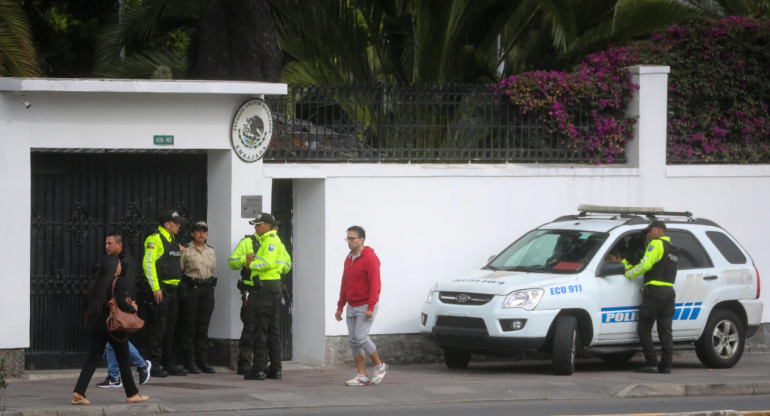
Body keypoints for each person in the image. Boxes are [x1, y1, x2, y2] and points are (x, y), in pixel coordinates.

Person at [71, 255, 149, 405]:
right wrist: (133, 308)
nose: (121, 266)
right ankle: (132, 394)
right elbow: (120, 303)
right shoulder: (117, 282)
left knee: (92, 359)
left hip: (96, 325)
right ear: (114, 267)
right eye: (119, 264)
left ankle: (79, 392)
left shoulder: (96, 282)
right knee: (124, 359)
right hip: (113, 326)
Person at [228, 213, 290, 380]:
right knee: (272, 329)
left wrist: (251, 264)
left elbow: (267, 263)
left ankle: (258, 369)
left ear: (268, 226)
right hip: (273, 287)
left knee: (260, 329)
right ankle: (275, 368)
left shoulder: (269, 241)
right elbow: (284, 263)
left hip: (265, 288)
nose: (255, 227)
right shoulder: (275, 241)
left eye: (258, 224)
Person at [96, 232, 152, 388]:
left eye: (109, 243)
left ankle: (139, 365)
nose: (106, 246)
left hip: (119, 308)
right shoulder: (109, 260)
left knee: (114, 340)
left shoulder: (127, 262)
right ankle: (115, 376)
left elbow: (126, 287)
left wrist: (128, 307)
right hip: (109, 307)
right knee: (112, 341)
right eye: (106, 243)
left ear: (119, 245)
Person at [334, 225, 388, 386]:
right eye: (347, 239)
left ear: (361, 239)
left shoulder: (370, 258)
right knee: (353, 341)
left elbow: (375, 284)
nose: (349, 242)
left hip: (366, 304)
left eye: (352, 238)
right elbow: (345, 283)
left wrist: (371, 306)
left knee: (361, 337)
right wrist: (340, 306)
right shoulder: (349, 258)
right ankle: (361, 375)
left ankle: (380, 365)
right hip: (352, 304)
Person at [625, 220, 679, 374]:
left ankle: (651, 362)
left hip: (655, 291)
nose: (648, 235)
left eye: (649, 231)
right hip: (669, 292)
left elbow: (646, 264)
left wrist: (629, 273)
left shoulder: (656, 244)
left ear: (657, 230)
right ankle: (666, 365)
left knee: (644, 328)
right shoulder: (674, 249)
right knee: (665, 330)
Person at [143, 209, 188, 377]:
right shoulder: (155, 239)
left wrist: (182, 252)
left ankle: (168, 362)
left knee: (170, 328)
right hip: (162, 290)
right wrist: (155, 288)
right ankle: (154, 364)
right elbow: (148, 264)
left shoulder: (174, 241)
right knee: (159, 328)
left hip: (174, 290)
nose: (179, 225)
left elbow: (175, 264)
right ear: (166, 224)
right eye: (176, 223)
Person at [180, 220, 217, 374]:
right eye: (198, 231)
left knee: (203, 327)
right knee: (190, 326)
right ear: (192, 233)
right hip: (192, 289)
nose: (201, 234)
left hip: (207, 290)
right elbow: (180, 270)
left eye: (204, 231)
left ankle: (203, 361)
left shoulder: (211, 251)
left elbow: (212, 268)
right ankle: (190, 361)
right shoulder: (186, 250)